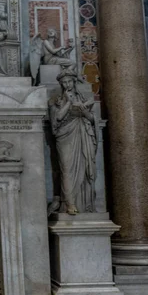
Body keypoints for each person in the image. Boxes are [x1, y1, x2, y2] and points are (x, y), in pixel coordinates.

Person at [49, 68, 97, 215]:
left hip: (82, 133)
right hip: (65, 137)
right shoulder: (56, 100)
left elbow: (91, 119)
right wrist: (69, 103)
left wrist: (84, 111)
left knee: (84, 166)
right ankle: (69, 203)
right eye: (64, 82)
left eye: (69, 81)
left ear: (74, 82)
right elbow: (57, 118)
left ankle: (84, 204)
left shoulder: (82, 97)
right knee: (67, 170)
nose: (67, 84)